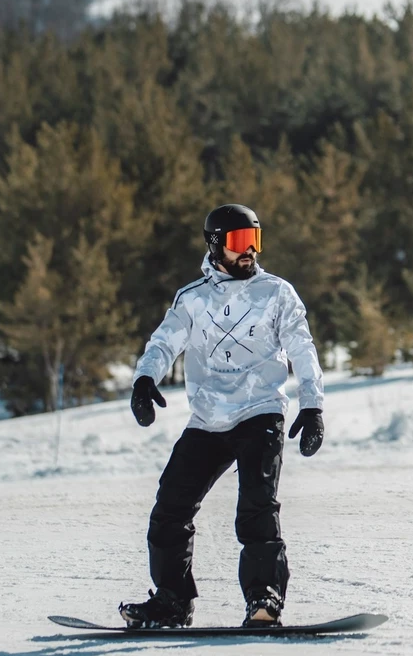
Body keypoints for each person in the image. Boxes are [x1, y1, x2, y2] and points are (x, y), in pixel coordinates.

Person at [119, 203, 325, 629]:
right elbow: (162, 344)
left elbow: (303, 348)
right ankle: (172, 602)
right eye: (238, 243)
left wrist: (312, 402)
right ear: (216, 245)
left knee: (256, 508)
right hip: (208, 419)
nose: (249, 251)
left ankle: (264, 600)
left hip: (260, 411)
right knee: (170, 510)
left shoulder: (276, 293)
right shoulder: (192, 299)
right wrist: (144, 379)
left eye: (254, 241)